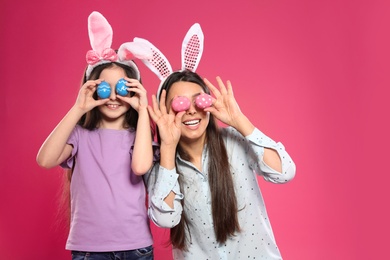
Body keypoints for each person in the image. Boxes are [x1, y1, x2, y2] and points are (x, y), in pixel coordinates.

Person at [137, 24, 296, 259]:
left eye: (197, 101)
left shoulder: (232, 142)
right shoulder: (159, 162)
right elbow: (166, 218)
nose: (190, 111)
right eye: (179, 104)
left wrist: (240, 121)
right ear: (164, 111)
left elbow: (285, 172)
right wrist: (168, 148)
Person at [36, 11, 157, 260]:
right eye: (105, 88)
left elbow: (141, 166)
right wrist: (78, 108)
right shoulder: (80, 136)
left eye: (122, 88)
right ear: (92, 90)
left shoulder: (140, 135)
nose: (113, 96)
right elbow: (45, 160)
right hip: (89, 249)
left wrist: (143, 109)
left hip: (135, 246)